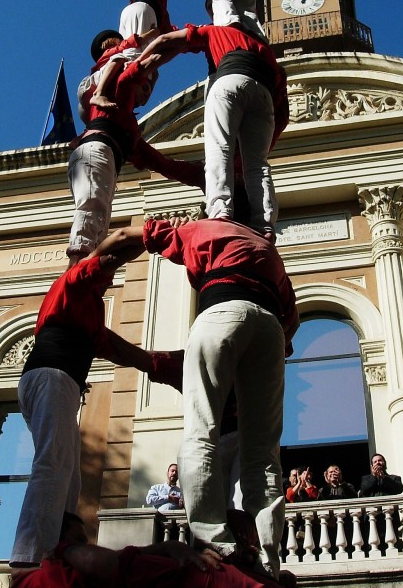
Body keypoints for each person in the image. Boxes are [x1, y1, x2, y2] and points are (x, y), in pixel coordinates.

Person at [92, 216, 299, 580]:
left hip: (221, 313)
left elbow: (126, 234)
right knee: (264, 453)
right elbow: (291, 324)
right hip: (268, 325)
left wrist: (90, 262)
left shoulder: (202, 228)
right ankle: (268, 557)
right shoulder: (268, 250)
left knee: (201, 431)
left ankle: (214, 540)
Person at [9, 249, 184, 570]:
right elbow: (114, 244)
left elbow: (122, 351)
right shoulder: (72, 285)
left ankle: (61, 544)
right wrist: (152, 234)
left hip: (57, 383)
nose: (110, 281)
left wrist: (169, 367)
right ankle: (30, 558)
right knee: (52, 464)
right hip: (51, 378)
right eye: (107, 275)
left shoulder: (89, 315)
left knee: (69, 475)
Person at [138, 23, 289, 240]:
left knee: (219, 150)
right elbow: (282, 105)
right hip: (262, 93)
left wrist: (138, 66)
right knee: (258, 165)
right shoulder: (263, 49)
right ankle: (264, 224)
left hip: (229, 80)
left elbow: (164, 41)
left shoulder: (216, 30)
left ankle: (220, 213)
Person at [67, 41, 204, 258]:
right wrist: (175, 44)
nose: (146, 95)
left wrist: (199, 175)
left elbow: (159, 162)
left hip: (103, 157)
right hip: (96, 151)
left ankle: (86, 267)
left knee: (100, 218)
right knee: (93, 207)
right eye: (146, 87)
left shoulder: (128, 127)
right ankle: (76, 265)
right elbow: (132, 69)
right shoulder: (117, 92)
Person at [12, 511, 297, 588]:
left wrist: (164, 548)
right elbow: (108, 562)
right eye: (74, 540)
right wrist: (67, 551)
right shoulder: (50, 573)